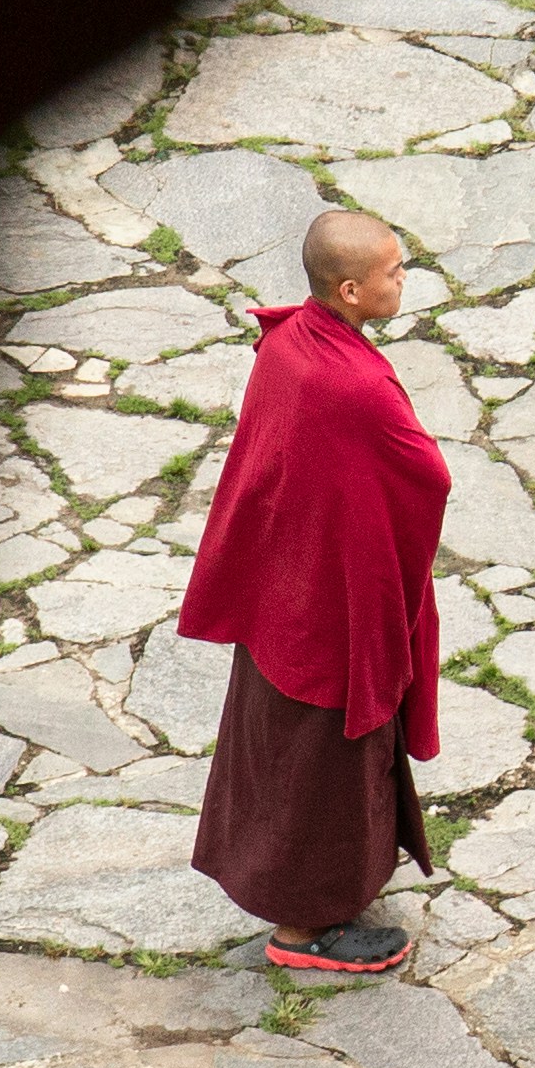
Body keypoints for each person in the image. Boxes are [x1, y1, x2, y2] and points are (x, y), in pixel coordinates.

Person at [176, 210, 449, 979]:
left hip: (284, 585)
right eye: (395, 272)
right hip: (328, 609)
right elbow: (427, 478)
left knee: (282, 748)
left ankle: (297, 892)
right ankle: (303, 928)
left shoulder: (290, 344)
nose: (404, 279)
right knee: (321, 762)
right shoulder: (353, 383)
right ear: (352, 289)